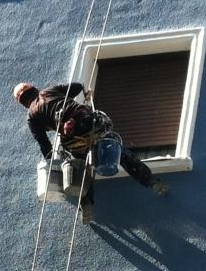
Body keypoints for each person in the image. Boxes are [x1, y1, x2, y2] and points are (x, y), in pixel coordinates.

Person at [13, 81, 169, 223]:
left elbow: (44, 144)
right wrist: (74, 93)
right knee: (119, 153)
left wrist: (52, 166)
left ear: (23, 104)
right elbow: (76, 86)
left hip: (73, 138)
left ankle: (86, 204)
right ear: (34, 89)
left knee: (81, 169)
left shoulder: (32, 117)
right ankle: (151, 182)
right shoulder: (49, 91)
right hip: (87, 121)